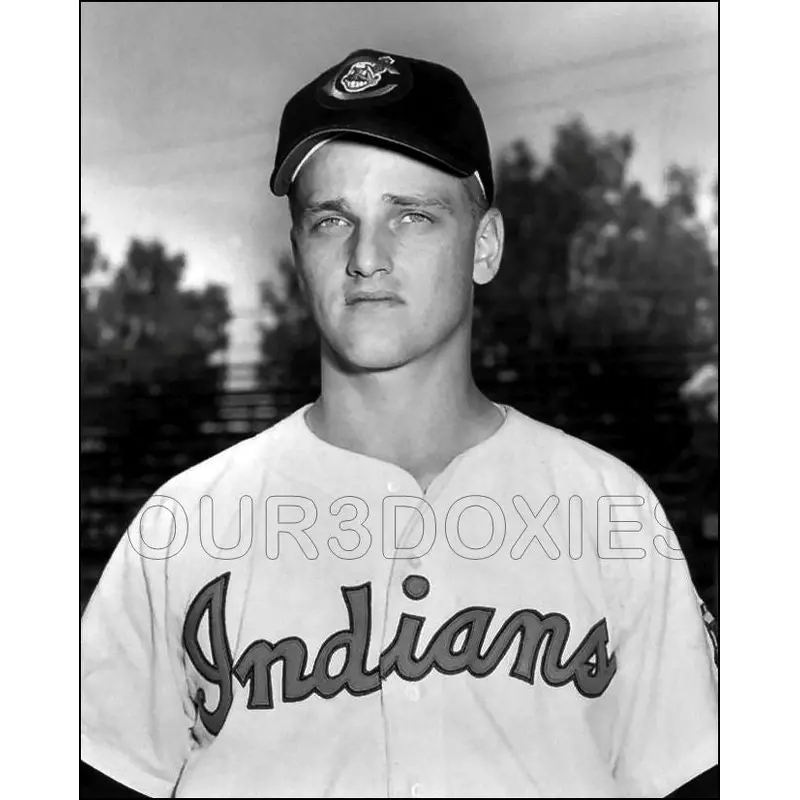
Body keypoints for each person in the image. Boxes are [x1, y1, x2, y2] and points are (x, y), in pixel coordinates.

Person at [81, 48, 719, 798]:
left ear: (485, 246)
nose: (366, 257)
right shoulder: (182, 527)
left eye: (412, 216)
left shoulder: (610, 508)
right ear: (297, 253)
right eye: (330, 220)